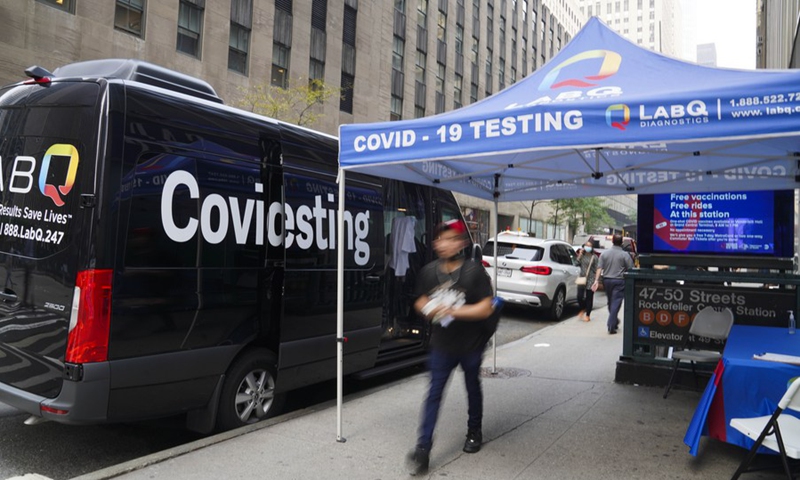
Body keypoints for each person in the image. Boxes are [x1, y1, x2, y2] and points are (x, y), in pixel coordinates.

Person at [406, 219, 495, 476]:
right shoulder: (428, 271)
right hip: (442, 345)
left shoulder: (473, 272)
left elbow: (486, 307)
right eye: (440, 239)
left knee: (471, 387)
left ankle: (474, 431)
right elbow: (420, 300)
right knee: (433, 393)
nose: (443, 244)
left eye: (450, 239)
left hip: (471, 345)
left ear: (461, 244)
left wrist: (454, 310)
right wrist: (429, 309)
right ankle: (423, 449)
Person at [592, 234, 634, 334]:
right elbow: (631, 269)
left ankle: (614, 320)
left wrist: (596, 280)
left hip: (607, 281)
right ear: (622, 243)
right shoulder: (625, 255)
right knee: (616, 302)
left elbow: (599, 268)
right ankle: (611, 324)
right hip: (619, 281)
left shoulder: (605, 254)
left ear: (612, 241)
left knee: (610, 302)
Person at [577, 241, 598, 322]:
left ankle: (588, 315)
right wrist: (580, 254)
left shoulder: (594, 257)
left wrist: (596, 280)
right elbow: (576, 263)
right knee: (579, 296)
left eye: (590, 246)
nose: (588, 247)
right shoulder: (582, 255)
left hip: (591, 279)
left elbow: (597, 269)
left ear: (592, 248)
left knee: (589, 297)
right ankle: (583, 308)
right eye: (586, 245)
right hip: (582, 278)